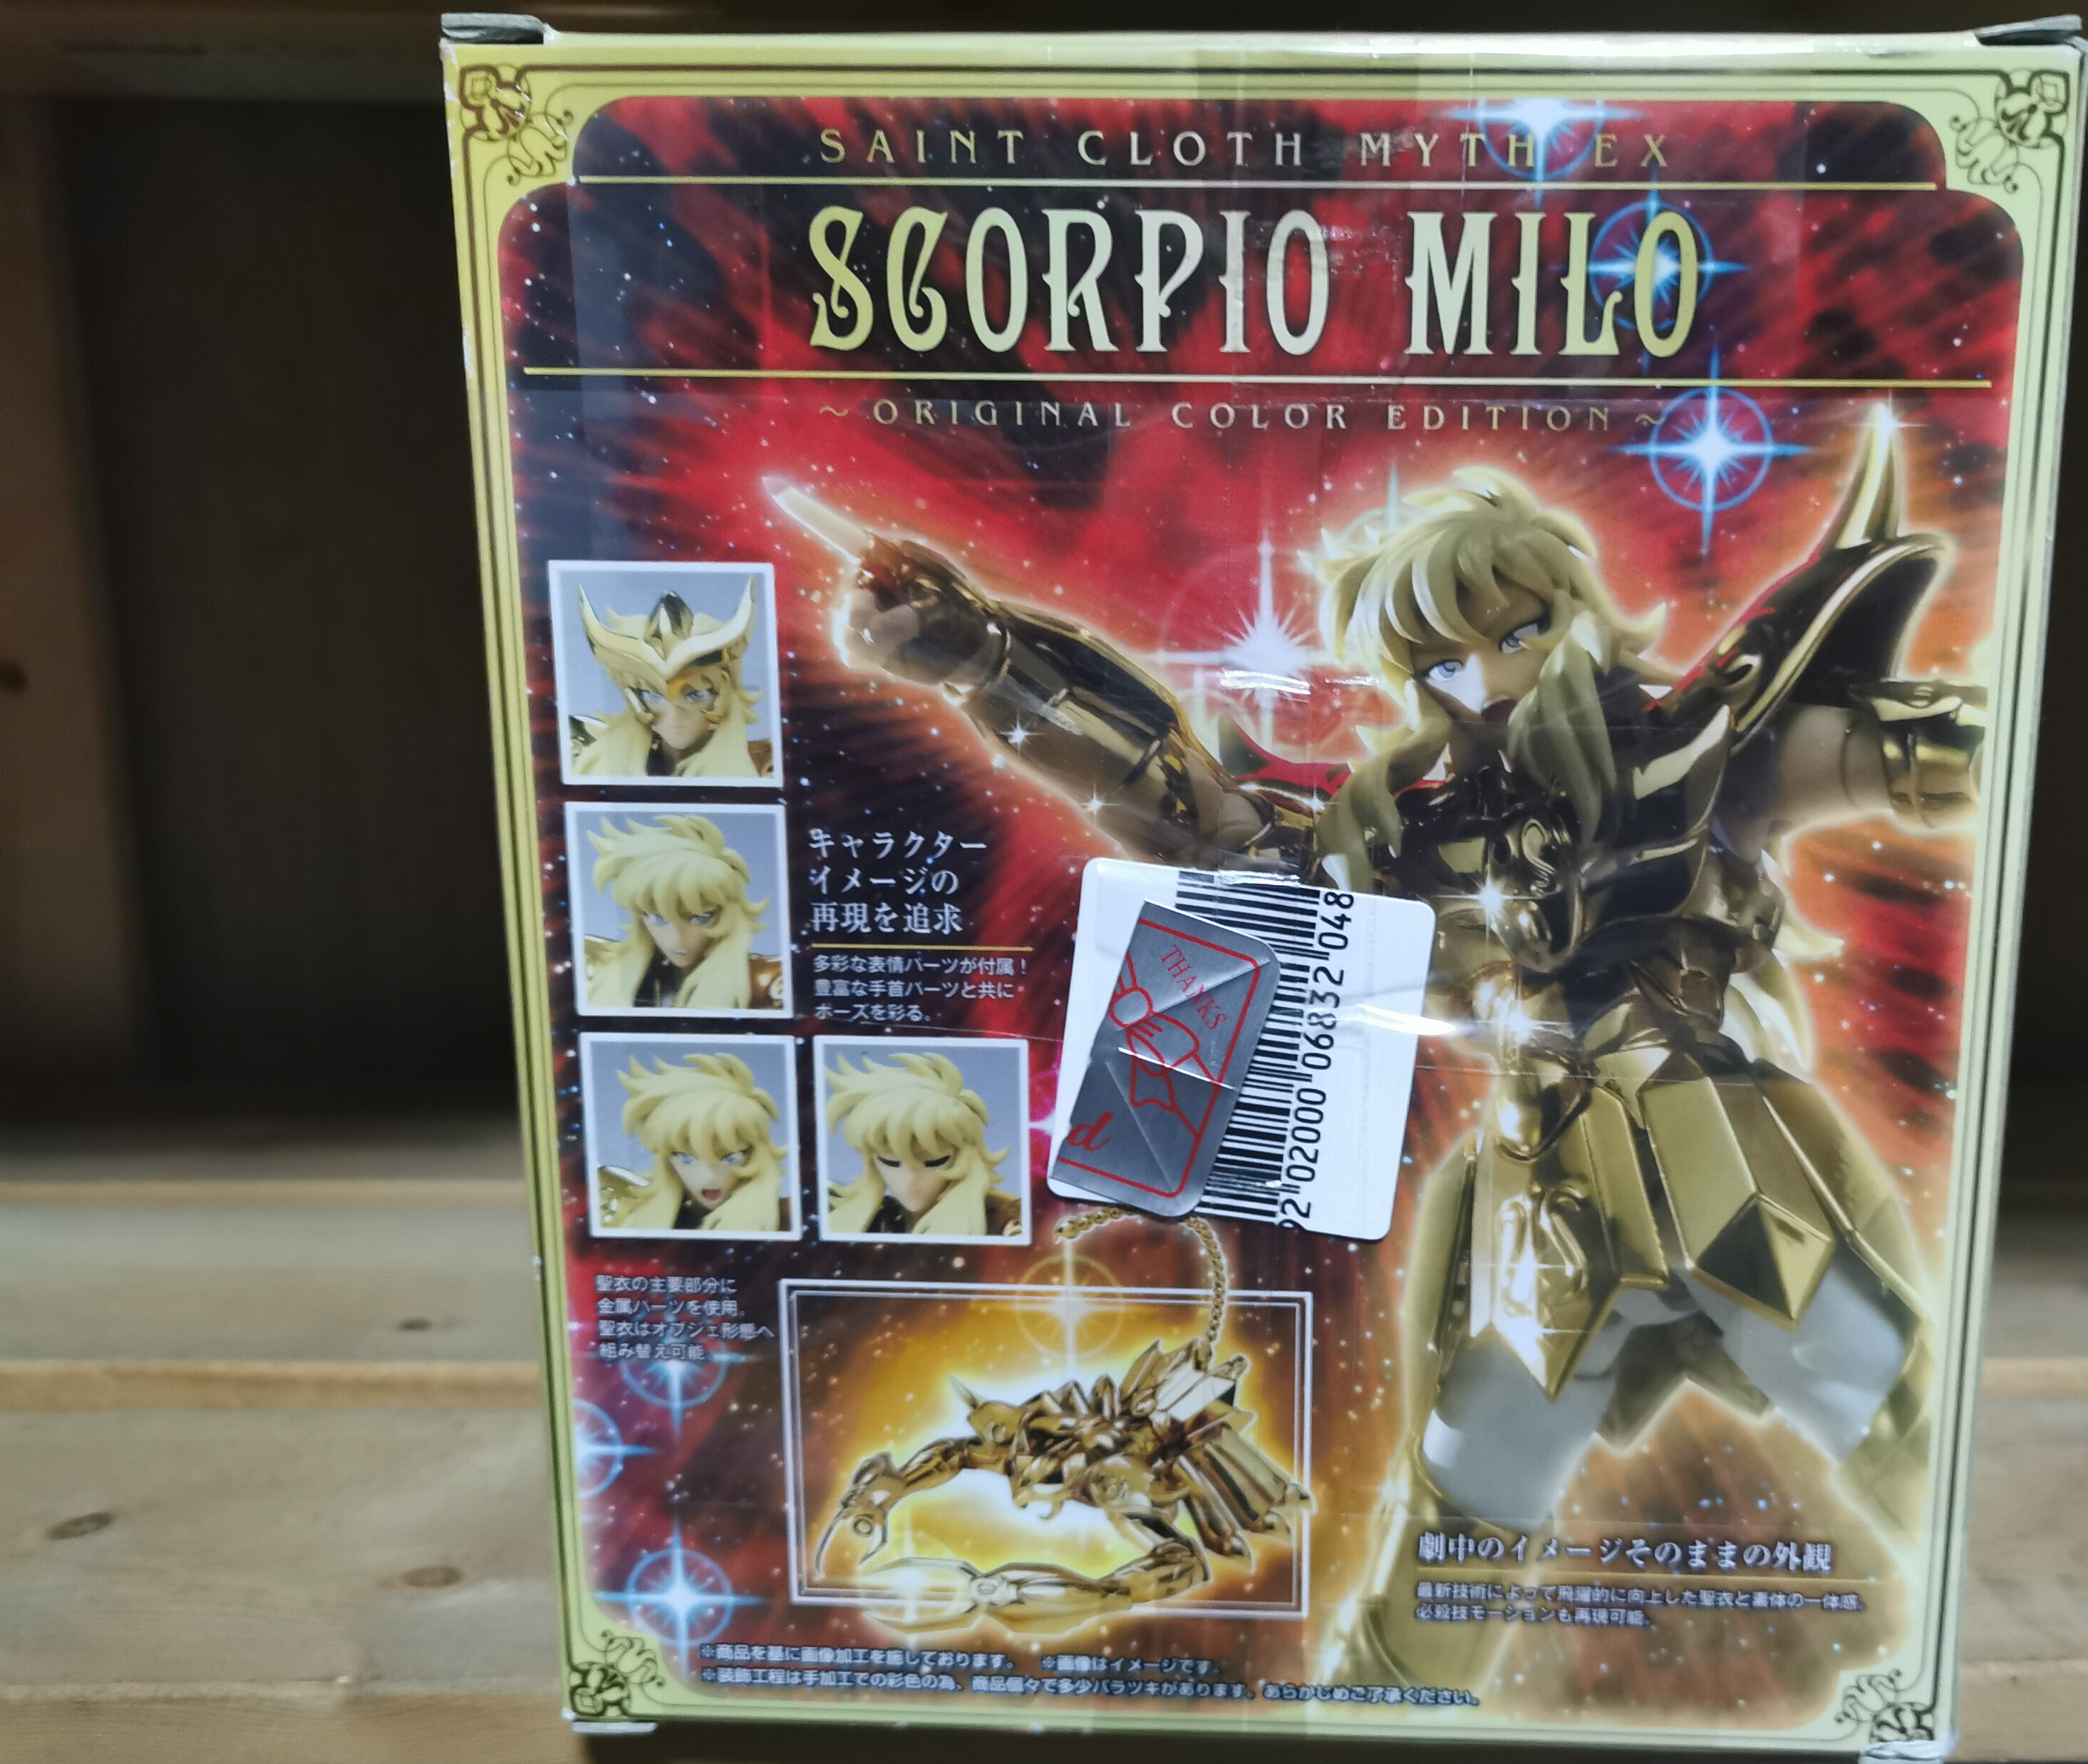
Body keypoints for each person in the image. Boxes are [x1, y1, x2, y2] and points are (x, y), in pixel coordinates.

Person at [777, 408, 1985, 1689]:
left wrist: (1946, 746)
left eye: (1517, 630)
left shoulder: (1689, 754)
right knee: (1471, 1480)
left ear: (1571, 612)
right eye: (1443, 658)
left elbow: (1911, 752)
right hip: (1541, 1185)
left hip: (1709, 1134)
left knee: (1860, 1375)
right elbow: (1195, 810)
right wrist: (986, 655)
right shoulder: (1399, 829)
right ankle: (1378, 1715)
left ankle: (1957, 1642)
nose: (1487, 674)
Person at [567, 578, 772, 778]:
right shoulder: (595, 761)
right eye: (654, 696)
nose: (674, 715)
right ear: (635, 698)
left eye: (695, 695)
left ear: (721, 696)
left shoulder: (764, 766)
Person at [580, 813, 782, 1013]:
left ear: (726, 915)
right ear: (640, 917)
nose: (676, 939)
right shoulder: (595, 968)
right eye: (659, 918)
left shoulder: (768, 983)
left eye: (700, 918)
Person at [821, 1049, 1022, 1238]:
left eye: (933, 1162)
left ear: (963, 1157)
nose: (909, 1181)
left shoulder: (1005, 1218)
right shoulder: (870, 1218)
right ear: (871, 1161)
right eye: (890, 1162)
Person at [596, 1051, 788, 1233]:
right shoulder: (626, 1212)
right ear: (666, 1160)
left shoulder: (787, 1218)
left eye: (730, 1158)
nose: (709, 1178)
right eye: (686, 1159)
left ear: (754, 1155)